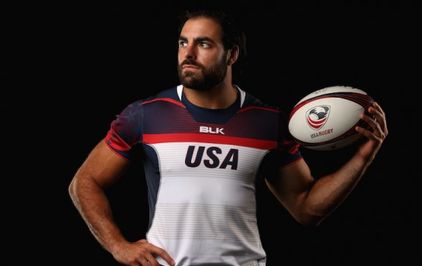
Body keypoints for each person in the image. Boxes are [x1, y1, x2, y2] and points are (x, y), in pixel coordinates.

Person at [69, 8, 388, 266]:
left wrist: (363, 157)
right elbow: (84, 182)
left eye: (203, 44)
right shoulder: (147, 115)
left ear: (232, 54)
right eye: (183, 42)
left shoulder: (268, 123)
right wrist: (118, 246)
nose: (188, 53)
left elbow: (306, 208)